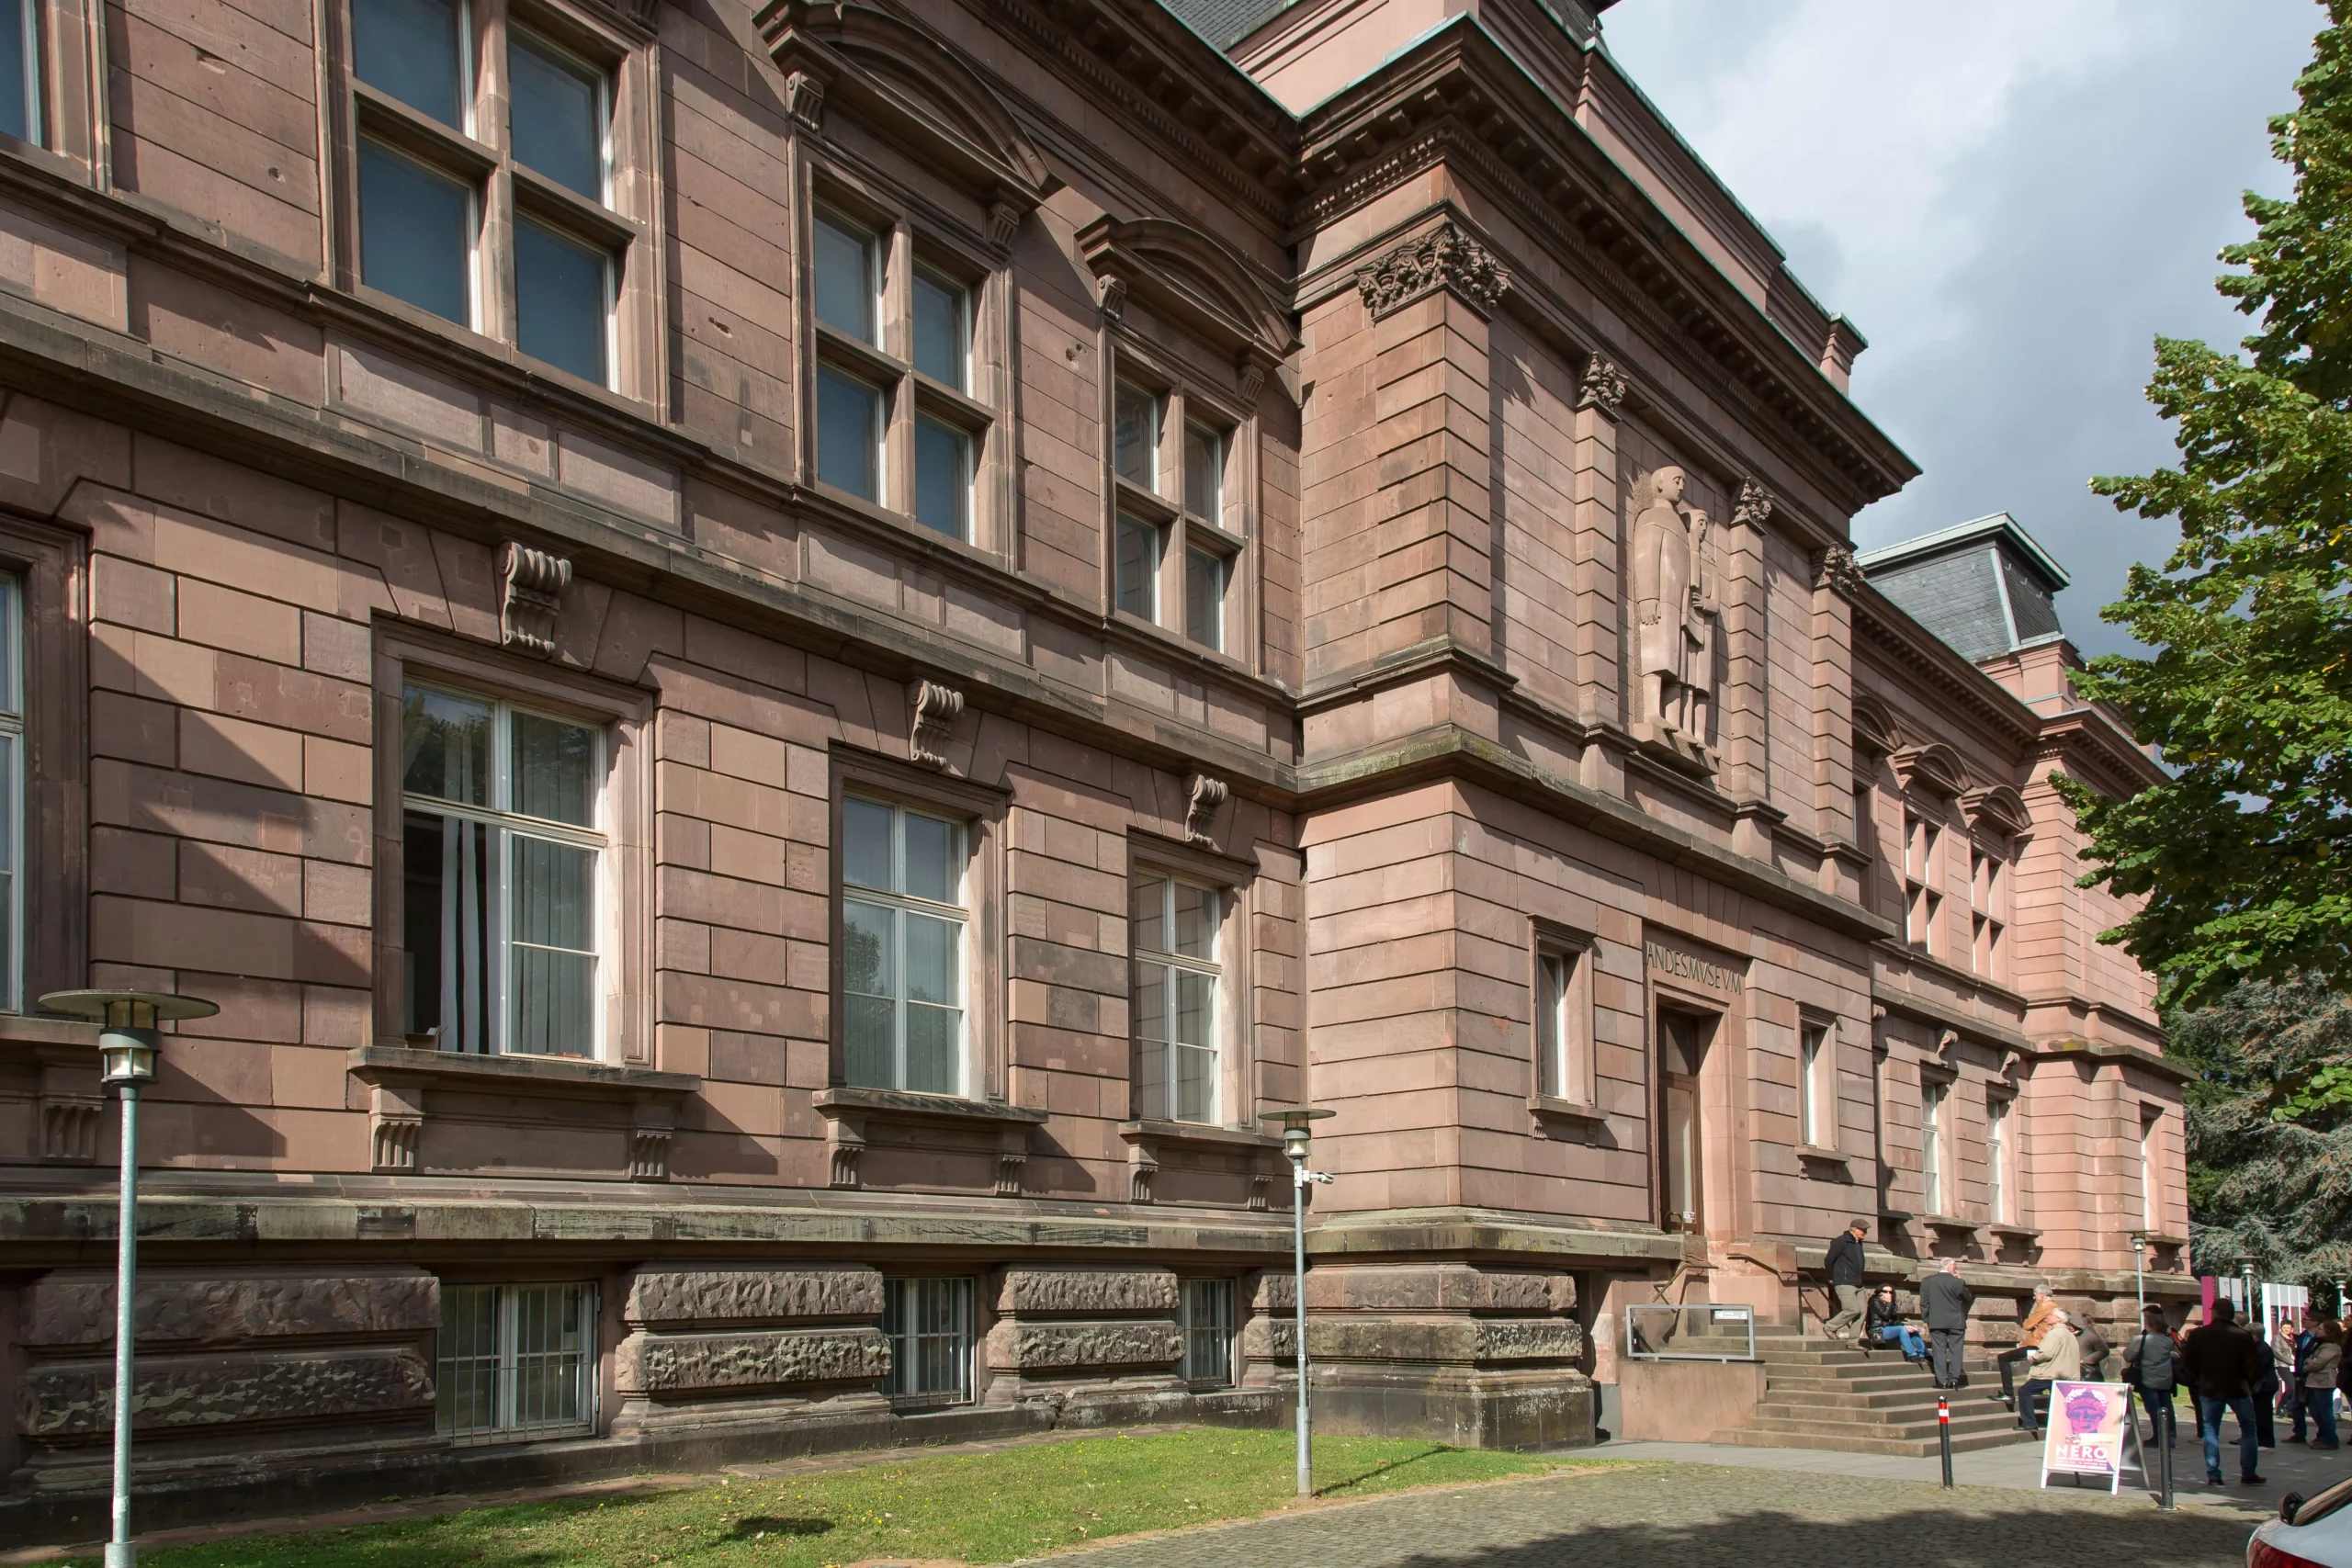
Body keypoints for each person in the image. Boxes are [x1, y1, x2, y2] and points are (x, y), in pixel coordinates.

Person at [2180, 1296, 2267, 1486]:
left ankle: (2213, 1474)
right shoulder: (2242, 1335)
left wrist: (2201, 1376)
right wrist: (2249, 1382)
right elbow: (2253, 1365)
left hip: (2210, 1387)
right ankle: (2248, 1472)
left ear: (2214, 1312)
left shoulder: (2199, 1334)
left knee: (2211, 1429)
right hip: (2237, 1387)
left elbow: (2187, 1361)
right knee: (2248, 1428)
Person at [2019, 1307, 2081, 1438]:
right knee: (2059, 1400)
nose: (2048, 1317)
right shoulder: (2069, 1334)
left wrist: (2033, 1357)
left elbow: (2046, 1353)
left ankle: (2029, 1422)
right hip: (2065, 1373)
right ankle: (2063, 1425)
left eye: (2051, 1315)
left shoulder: (2055, 1333)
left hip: (2051, 1372)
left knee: (2024, 1391)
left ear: (2058, 1319)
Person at [2123, 1304, 2180, 1445]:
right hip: (2165, 1378)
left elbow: (2128, 1356)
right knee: (2167, 1407)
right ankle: (2170, 1437)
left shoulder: (2141, 1340)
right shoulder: (2168, 1339)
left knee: (2154, 1409)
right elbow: (2177, 1353)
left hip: (2147, 1378)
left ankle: (2159, 1438)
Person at [1997, 1284, 2058, 1412]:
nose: (2034, 1298)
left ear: (2042, 1295)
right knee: (2046, 1374)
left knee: (2003, 1358)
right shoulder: (2054, 1306)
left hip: (2037, 1344)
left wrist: (2033, 1323)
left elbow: (2027, 1325)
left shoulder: (2044, 1306)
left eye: (2035, 1296)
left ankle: (2008, 1394)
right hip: (2044, 1344)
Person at [1921, 1257, 1974, 1390]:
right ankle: (1954, 1379)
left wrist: (1927, 1319)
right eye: (1955, 1266)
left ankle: (1942, 1381)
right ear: (1950, 1266)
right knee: (1957, 1351)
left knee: (1939, 1351)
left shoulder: (1927, 1281)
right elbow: (1968, 1297)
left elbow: (1924, 1303)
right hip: (1956, 1322)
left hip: (1936, 1321)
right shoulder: (1958, 1282)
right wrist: (1960, 1280)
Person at [1823, 1218, 1871, 1341]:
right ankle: (1830, 1327)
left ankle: (1853, 1341)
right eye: (1863, 1230)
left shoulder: (1858, 1243)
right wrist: (1830, 1277)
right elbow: (1829, 1260)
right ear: (1854, 1229)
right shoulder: (1841, 1241)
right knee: (1852, 1309)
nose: (1865, 1233)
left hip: (1858, 1282)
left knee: (1862, 1311)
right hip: (1844, 1281)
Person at [1866, 1284, 1928, 1361]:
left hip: (1889, 1329)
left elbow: (1895, 1320)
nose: (1888, 1294)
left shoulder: (1892, 1304)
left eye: (1890, 1292)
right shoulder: (1874, 1301)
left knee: (1912, 1331)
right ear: (1880, 1292)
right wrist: (1889, 1303)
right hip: (1877, 1330)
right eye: (1885, 1291)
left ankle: (1924, 1354)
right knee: (1902, 1329)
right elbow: (1885, 1316)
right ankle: (1912, 1354)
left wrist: (1907, 1327)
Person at [2307, 1321, 2343, 1450]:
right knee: (2314, 1410)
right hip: (2314, 1381)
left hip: (2324, 1381)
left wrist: (2308, 1364)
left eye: (2321, 1329)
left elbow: (2317, 1364)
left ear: (2329, 1332)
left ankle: (2331, 1440)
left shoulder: (2332, 1347)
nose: (2318, 1330)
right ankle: (2322, 1436)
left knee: (2324, 1412)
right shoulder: (2320, 1344)